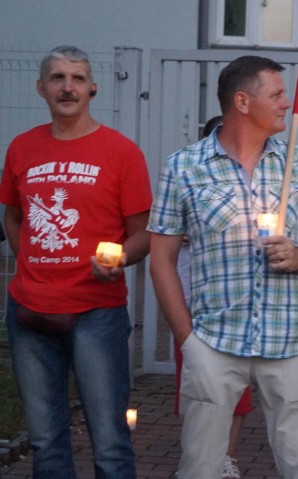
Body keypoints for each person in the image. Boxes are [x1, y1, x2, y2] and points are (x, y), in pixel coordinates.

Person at [148, 55, 298, 478]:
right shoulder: (184, 167)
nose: (287, 104)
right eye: (276, 94)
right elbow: (160, 259)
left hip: (291, 340)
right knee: (200, 467)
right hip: (214, 341)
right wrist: (187, 339)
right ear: (242, 101)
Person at [0, 45, 151, 477]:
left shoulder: (121, 152)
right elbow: (13, 216)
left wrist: (120, 258)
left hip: (96, 312)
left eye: (77, 78)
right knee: (46, 442)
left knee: (109, 442)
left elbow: (144, 233)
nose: (68, 87)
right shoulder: (21, 148)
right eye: (57, 78)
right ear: (41, 87)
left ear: (93, 88)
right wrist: (31, 258)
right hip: (28, 309)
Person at [170, 114, 251, 479]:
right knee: (194, 386)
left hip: (236, 304)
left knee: (236, 390)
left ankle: (227, 458)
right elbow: (163, 233)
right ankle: (198, 457)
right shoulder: (183, 179)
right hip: (191, 301)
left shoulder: (253, 186)